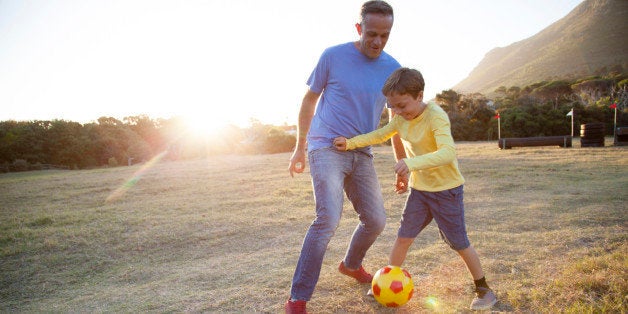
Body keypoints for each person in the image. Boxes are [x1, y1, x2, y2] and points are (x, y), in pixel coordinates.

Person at [333, 67, 498, 311]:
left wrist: (411, 164)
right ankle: (386, 284)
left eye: (402, 105)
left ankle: (484, 289)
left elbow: (447, 152)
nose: (397, 113)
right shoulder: (400, 118)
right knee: (403, 238)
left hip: (447, 191)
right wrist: (350, 143)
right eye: (393, 107)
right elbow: (380, 135)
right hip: (420, 191)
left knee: (459, 243)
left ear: (419, 96)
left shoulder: (436, 116)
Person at [285, 1, 405, 313]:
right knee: (328, 219)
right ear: (359, 29)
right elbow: (309, 100)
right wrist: (300, 147)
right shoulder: (333, 56)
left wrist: (401, 163)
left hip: (361, 152)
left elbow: (396, 117)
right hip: (325, 146)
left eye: (385, 35)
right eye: (372, 34)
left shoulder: (393, 68)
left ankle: (351, 264)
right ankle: (298, 299)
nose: (377, 41)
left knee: (376, 220)